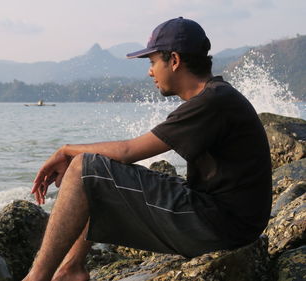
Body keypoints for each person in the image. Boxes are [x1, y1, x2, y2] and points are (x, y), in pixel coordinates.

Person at [23, 17, 272, 281]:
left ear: (174, 60)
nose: (150, 71)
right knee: (99, 174)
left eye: (153, 62)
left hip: (220, 227)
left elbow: (129, 150)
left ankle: (37, 278)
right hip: (225, 220)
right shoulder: (216, 96)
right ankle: (70, 269)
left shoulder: (212, 102)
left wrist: (66, 151)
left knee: (85, 167)